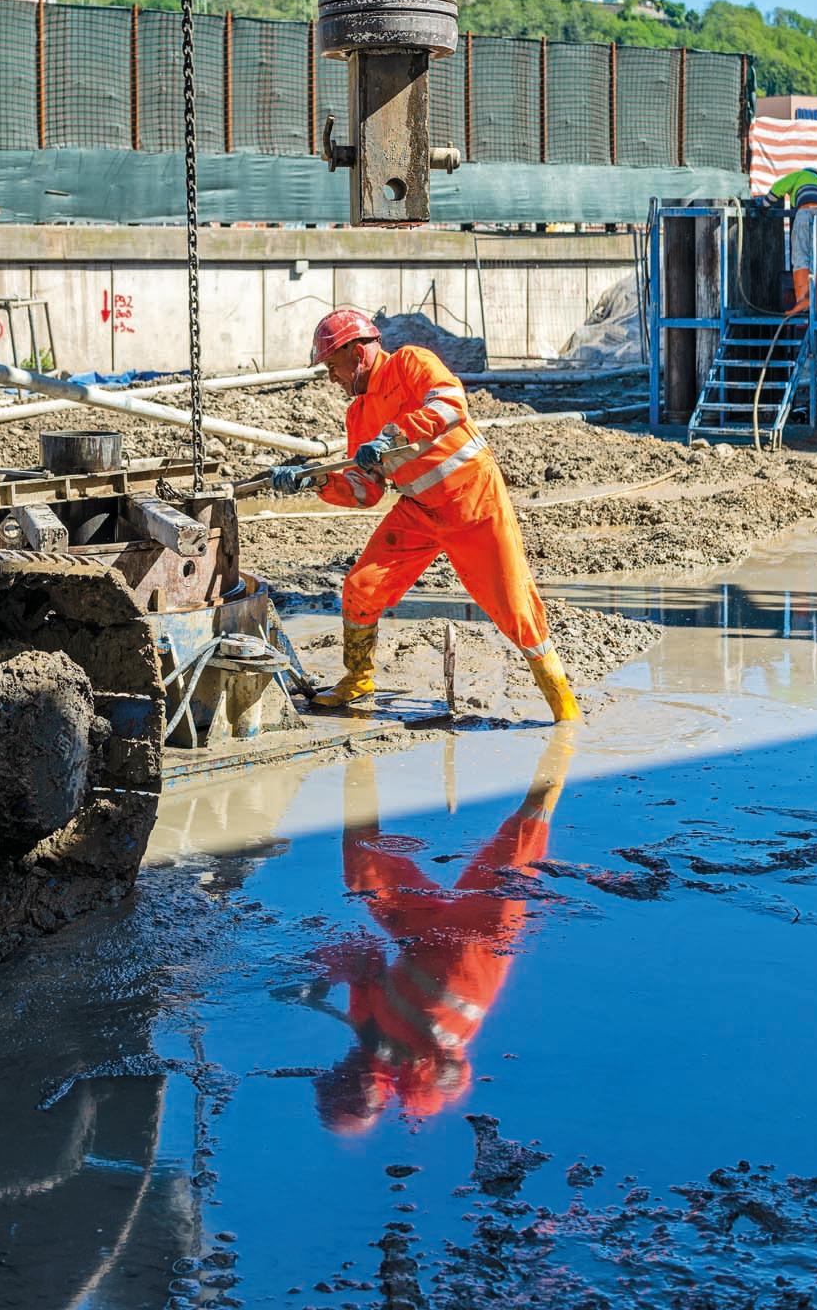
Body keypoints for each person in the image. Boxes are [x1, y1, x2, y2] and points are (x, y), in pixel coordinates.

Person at [271, 308, 580, 719]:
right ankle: (359, 679)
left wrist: (393, 434)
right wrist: (316, 482)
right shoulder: (358, 414)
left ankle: (563, 705)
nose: (332, 378)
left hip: (473, 502)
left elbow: (451, 405)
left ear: (357, 353)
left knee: (514, 608)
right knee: (361, 588)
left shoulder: (411, 363)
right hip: (420, 511)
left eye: (333, 366)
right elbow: (365, 491)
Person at [309, 739, 573, 1131]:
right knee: (523, 836)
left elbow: (365, 957)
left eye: (338, 1080)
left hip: (424, 936)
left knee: (364, 874)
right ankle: (563, 747)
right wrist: (416, 1061)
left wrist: (320, 973)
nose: (347, 1075)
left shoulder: (366, 1024)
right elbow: (454, 1076)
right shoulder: (418, 1095)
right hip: (482, 940)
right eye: (350, 1089)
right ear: (377, 1103)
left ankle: (360, 759)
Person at [765, 166, 817, 314]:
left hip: (807, 210)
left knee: (801, 255)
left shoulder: (800, 176)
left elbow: (779, 187)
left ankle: (803, 301)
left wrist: (765, 203)